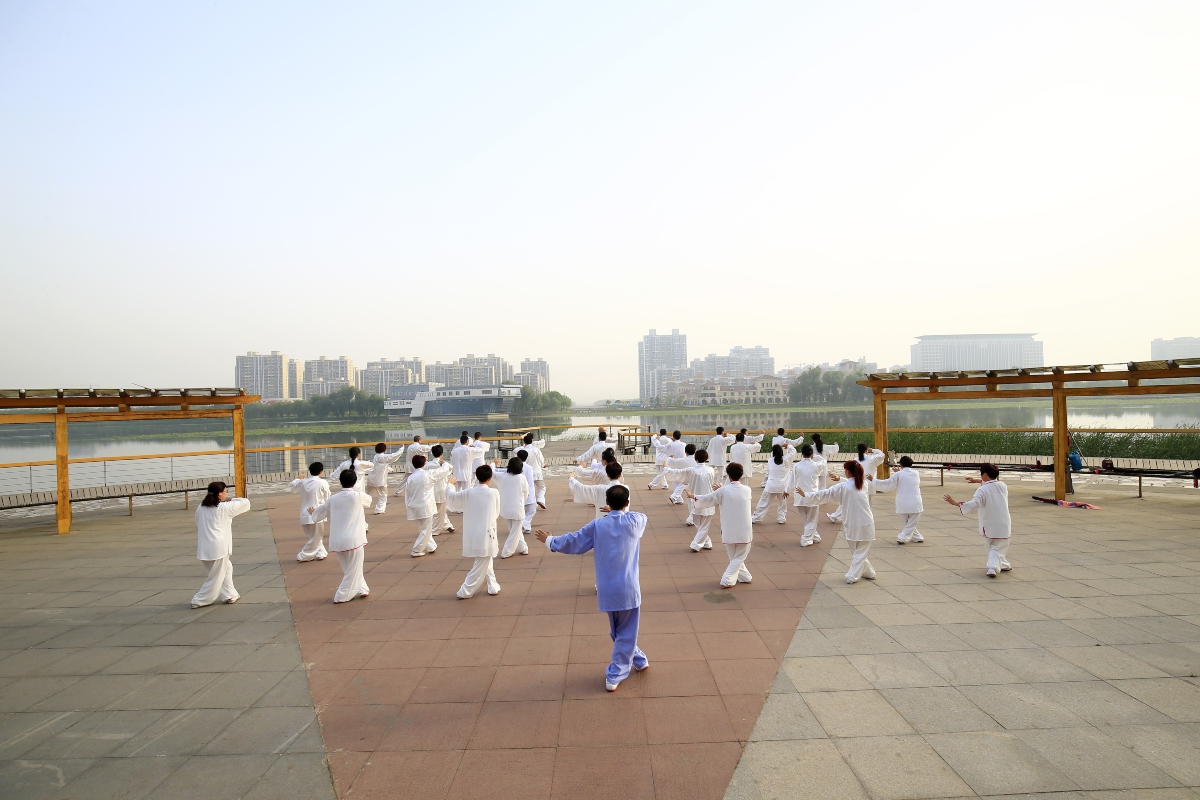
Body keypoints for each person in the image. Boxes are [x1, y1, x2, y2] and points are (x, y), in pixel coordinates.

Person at [535, 485, 649, 692]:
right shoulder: (635, 522)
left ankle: (639, 660)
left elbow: (573, 541)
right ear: (627, 502)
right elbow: (640, 515)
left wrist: (550, 540)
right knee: (625, 632)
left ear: (606, 502)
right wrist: (619, 511)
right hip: (628, 588)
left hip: (607, 588)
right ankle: (616, 673)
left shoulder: (597, 526)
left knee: (619, 632)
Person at [798, 460, 876, 584]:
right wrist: (840, 478)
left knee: (857, 552)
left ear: (849, 472)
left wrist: (806, 494)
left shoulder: (844, 487)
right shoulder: (863, 484)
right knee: (859, 552)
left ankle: (853, 576)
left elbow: (825, 494)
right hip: (866, 522)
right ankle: (869, 572)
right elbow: (850, 484)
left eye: (845, 470)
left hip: (852, 524)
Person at [309, 469, 373, 603]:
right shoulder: (358, 496)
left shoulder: (333, 499)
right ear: (355, 482)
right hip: (354, 539)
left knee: (350, 568)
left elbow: (319, 513)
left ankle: (362, 588)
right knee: (353, 569)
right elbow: (369, 501)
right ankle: (341, 595)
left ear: (340, 481)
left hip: (338, 540)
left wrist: (313, 512)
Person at [686, 462, 754, 588]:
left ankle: (742, 577)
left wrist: (692, 496)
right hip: (744, 530)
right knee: (739, 556)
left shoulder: (723, 491)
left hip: (728, 529)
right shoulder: (747, 490)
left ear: (728, 475)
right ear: (741, 474)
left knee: (734, 556)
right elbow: (733, 494)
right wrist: (721, 490)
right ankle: (729, 579)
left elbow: (708, 499)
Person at [945, 464, 1012, 577]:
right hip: (1003, 522)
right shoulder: (1003, 486)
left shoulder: (982, 490)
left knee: (992, 547)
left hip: (989, 523)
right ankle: (1004, 564)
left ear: (985, 475)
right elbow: (991, 485)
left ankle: (992, 568)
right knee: (999, 546)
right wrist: (977, 480)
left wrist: (956, 503)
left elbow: (974, 504)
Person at [191, 481, 250, 608]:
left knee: (227, 569)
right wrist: (230, 499)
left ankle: (230, 594)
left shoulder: (201, 507)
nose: (226, 494)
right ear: (219, 494)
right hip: (219, 547)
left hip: (204, 547)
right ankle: (200, 599)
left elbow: (198, 522)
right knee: (215, 578)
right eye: (225, 492)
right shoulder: (223, 508)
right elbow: (245, 502)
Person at [447, 464, 503, 597]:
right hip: (487, 530)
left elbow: (452, 498)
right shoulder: (493, 492)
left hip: (472, 531)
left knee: (485, 558)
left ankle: (492, 585)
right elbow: (496, 512)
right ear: (489, 478)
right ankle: (465, 590)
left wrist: (450, 484)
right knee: (482, 561)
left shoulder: (469, 492)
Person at [665, 449, 717, 550]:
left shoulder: (691, 470)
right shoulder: (711, 470)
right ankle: (707, 542)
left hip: (696, 499)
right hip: (708, 499)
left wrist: (666, 468)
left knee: (699, 523)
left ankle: (696, 544)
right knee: (703, 525)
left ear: (695, 459)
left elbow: (677, 473)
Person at [406, 454, 452, 556]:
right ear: (424, 464)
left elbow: (407, 494)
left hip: (413, 505)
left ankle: (431, 546)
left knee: (423, 528)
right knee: (426, 529)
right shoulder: (427, 475)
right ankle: (416, 550)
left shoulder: (411, 478)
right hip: (425, 506)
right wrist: (444, 463)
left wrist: (408, 505)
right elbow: (442, 472)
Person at [873, 455, 924, 544]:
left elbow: (887, 484)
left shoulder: (898, 475)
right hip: (915, 502)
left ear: (900, 465)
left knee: (907, 523)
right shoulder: (916, 473)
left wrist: (873, 480)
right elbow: (906, 476)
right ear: (911, 465)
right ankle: (909, 537)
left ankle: (911, 537)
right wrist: (898, 473)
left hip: (902, 502)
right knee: (911, 523)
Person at [829, 443, 884, 523]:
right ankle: (866, 519)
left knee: (850, 502)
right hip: (869, 484)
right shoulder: (872, 459)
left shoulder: (855, 460)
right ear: (867, 450)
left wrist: (841, 479)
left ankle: (835, 516)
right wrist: (872, 450)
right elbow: (882, 454)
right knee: (867, 504)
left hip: (858, 483)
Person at [290, 462, 331, 561]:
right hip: (317, 512)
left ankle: (321, 553)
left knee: (314, 536)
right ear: (321, 472)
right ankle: (304, 555)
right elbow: (328, 497)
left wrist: (299, 478)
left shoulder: (303, 482)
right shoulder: (322, 482)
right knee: (316, 537)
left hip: (304, 513)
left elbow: (293, 486)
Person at [493, 456, 531, 558]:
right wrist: (522, 500)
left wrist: (494, 463)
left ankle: (523, 548)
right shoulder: (521, 477)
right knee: (515, 532)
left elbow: (491, 473)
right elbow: (526, 492)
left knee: (514, 530)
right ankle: (506, 551)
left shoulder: (502, 476)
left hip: (505, 507)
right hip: (517, 507)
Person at [790, 445, 823, 546]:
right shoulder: (817, 465)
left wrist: (787, 490)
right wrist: (815, 456)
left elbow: (792, 479)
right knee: (812, 519)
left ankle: (815, 536)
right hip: (812, 495)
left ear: (802, 454)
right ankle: (806, 539)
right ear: (812, 454)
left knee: (806, 519)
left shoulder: (797, 466)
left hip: (799, 495)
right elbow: (824, 461)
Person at [752, 444, 792, 524]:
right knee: (782, 504)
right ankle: (781, 518)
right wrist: (788, 446)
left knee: (763, 502)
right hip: (782, 487)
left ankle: (756, 518)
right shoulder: (787, 460)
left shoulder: (770, 460)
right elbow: (793, 452)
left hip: (771, 486)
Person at [365, 442, 405, 514]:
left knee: (367, 495)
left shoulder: (376, 457)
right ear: (384, 449)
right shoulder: (383, 457)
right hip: (380, 480)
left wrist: (389, 469)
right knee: (383, 496)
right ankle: (379, 509)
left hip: (371, 479)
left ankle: (361, 506)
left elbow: (380, 466)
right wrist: (401, 448)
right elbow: (394, 456)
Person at [425, 444, 456, 535]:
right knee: (439, 511)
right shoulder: (444, 465)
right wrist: (444, 463)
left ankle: (447, 525)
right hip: (442, 489)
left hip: (432, 489)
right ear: (441, 454)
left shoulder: (428, 465)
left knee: (440, 509)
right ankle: (435, 530)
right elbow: (451, 468)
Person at [522, 432, 548, 508]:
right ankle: (540, 499)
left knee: (529, 488)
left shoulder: (522, 451)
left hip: (526, 473)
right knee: (542, 488)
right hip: (536, 472)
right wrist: (543, 465)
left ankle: (529, 503)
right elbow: (541, 459)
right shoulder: (536, 450)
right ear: (532, 440)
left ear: (524, 442)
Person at [516, 448, 538, 532]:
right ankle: (524, 523)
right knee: (532, 510)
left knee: (525, 510)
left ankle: (527, 527)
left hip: (521, 490)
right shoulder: (529, 467)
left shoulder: (518, 467)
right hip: (529, 490)